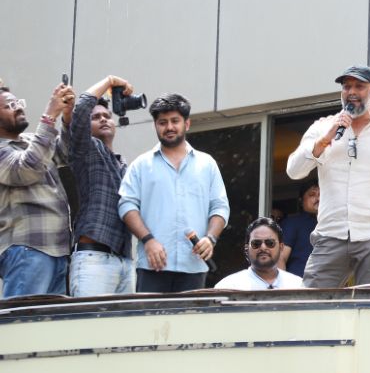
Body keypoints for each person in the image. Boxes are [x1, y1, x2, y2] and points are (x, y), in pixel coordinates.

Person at [286, 65, 370, 287]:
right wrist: (324, 140)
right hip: (330, 233)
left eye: (359, 86)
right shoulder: (322, 127)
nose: (352, 92)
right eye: (347, 87)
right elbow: (294, 170)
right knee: (312, 301)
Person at [118, 93, 229, 293]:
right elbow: (126, 205)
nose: (169, 127)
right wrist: (148, 240)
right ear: (155, 126)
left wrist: (210, 238)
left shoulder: (207, 164)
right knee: (150, 315)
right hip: (153, 265)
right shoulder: (141, 165)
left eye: (175, 121)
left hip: (193, 265)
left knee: (190, 315)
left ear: (187, 124)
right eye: (163, 122)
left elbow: (220, 207)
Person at [0, 79, 75, 297]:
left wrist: (67, 118)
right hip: (27, 249)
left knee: (49, 318)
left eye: (18, 103)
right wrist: (50, 115)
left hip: (58, 250)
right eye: (9, 106)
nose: (18, 108)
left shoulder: (32, 140)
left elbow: (67, 154)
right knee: (23, 316)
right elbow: (26, 169)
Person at [65, 76, 138, 297]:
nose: (104, 119)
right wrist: (110, 81)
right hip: (93, 259)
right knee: (89, 320)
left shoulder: (124, 165)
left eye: (107, 116)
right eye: (96, 117)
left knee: (125, 322)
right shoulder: (85, 150)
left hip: (125, 261)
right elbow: (81, 108)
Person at [215, 217, 303, 290]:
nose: (263, 247)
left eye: (270, 243)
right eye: (256, 243)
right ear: (246, 249)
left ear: (281, 247)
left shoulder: (298, 286)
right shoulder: (228, 287)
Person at [279, 180, 319, 277]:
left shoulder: (330, 224)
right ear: (301, 201)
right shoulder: (292, 223)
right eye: (312, 195)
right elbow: (280, 258)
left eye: (322, 195)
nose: (318, 198)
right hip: (298, 283)